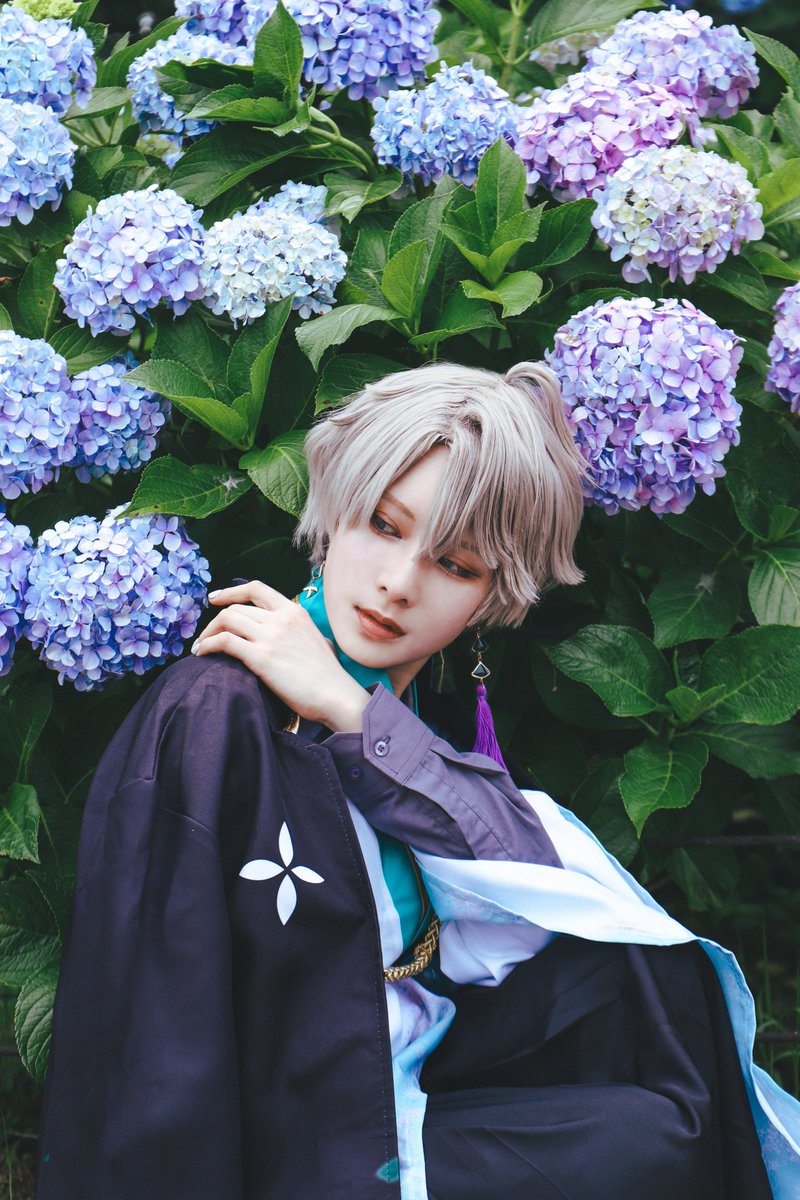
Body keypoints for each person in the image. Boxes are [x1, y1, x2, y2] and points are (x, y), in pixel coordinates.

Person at [36, 362, 799, 1200]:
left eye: (456, 565)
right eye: (382, 525)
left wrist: (353, 714)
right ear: (334, 510)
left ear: (492, 598)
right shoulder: (216, 709)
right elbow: (153, 1022)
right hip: (297, 1139)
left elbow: (535, 881)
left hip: (405, 1094)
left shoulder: (403, 719)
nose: (398, 585)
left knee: (663, 1085)